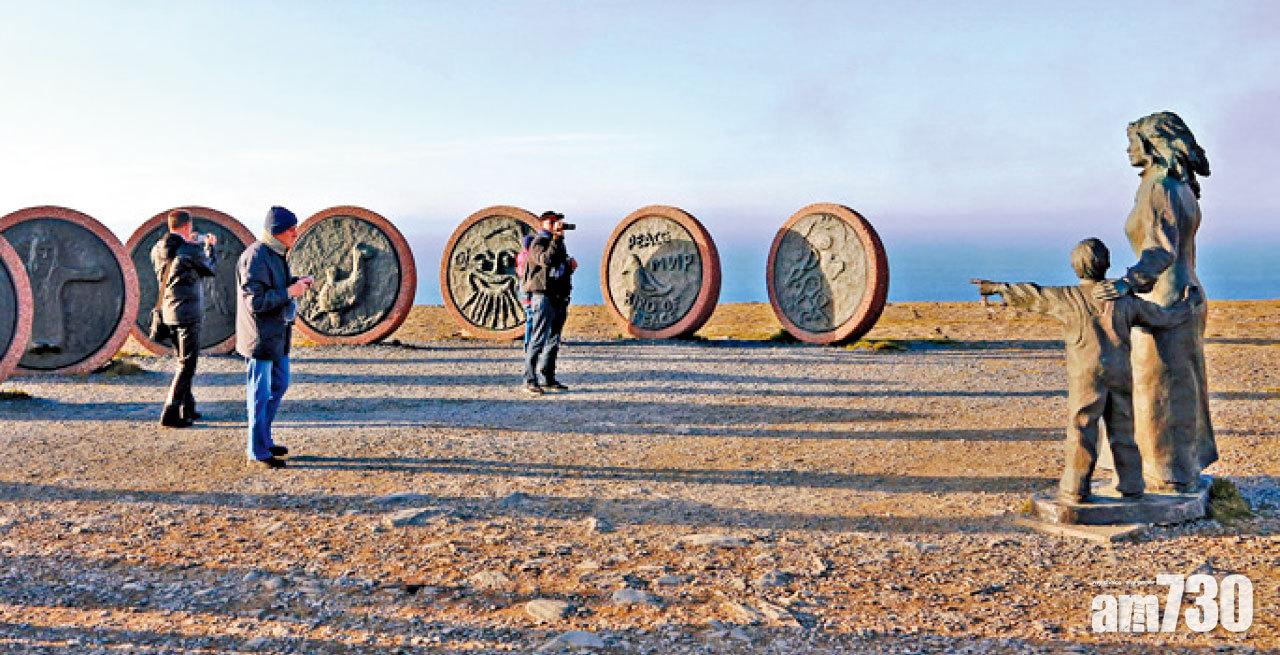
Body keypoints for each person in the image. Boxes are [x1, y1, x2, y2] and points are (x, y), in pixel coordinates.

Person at [973, 238, 1200, 502]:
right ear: (1106, 265)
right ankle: (1132, 485)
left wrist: (998, 288)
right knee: (1124, 429)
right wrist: (1188, 304)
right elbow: (1164, 317)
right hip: (1119, 373)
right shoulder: (1124, 301)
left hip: (1086, 376)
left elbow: (1033, 295)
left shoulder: (1067, 298)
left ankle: (1075, 487)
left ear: (1075, 267)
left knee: (1082, 427)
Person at [1093, 111, 1215, 493]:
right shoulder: (1178, 186)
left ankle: (1163, 470)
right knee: (1176, 380)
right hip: (1186, 291)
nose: (1127, 149)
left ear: (1150, 145)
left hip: (1162, 297)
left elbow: (1160, 249)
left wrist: (1129, 282)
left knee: (1154, 383)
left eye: (1132, 141)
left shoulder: (1161, 186)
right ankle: (1176, 465)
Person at [235, 206, 314, 468]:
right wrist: (290, 291)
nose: (296, 233)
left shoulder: (276, 254)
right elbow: (255, 302)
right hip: (260, 338)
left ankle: (264, 440)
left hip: (276, 336)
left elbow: (273, 285)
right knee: (259, 394)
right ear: (276, 232)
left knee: (280, 385)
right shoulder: (255, 257)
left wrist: (296, 281)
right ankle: (256, 450)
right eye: (291, 229)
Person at [152, 209, 218, 428]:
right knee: (187, 364)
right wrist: (210, 247)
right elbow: (210, 270)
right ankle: (170, 411)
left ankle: (187, 407)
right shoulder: (191, 249)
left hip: (168, 312)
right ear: (187, 226)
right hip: (188, 312)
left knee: (182, 360)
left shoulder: (158, 248)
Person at [521, 211, 576, 394]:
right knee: (538, 339)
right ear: (544, 223)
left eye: (558, 222)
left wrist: (569, 267)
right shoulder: (538, 242)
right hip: (542, 296)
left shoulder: (557, 243)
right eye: (553, 222)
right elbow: (547, 260)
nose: (557, 225)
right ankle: (529, 379)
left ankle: (547, 377)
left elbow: (558, 268)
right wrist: (557, 239)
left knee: (553, 340)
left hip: (558, 297)